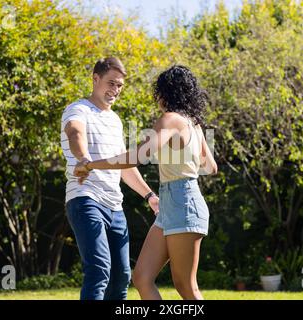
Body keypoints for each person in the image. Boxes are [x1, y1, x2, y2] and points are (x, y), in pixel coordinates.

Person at [74, 65, 218, 300]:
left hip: (184, 202)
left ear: (165, 93)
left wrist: (91, 164)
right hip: (172, 202)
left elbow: (138, 156)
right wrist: (183, 157)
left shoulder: (170, 120)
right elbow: (211, 167)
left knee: (185, 285)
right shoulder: (193, 123)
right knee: (141, 277)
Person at [61, 57, 159, 300]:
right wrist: (84, 158)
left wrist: (149, 195)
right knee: (99, 269)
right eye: (111, 83)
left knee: (121, 275)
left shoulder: (115, 120)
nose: (115, 90)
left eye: (120, 86)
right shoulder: (78, 109)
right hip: (86, 199)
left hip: (115, 207)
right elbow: (75, 133)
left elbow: (123, 166)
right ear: (95, 79)